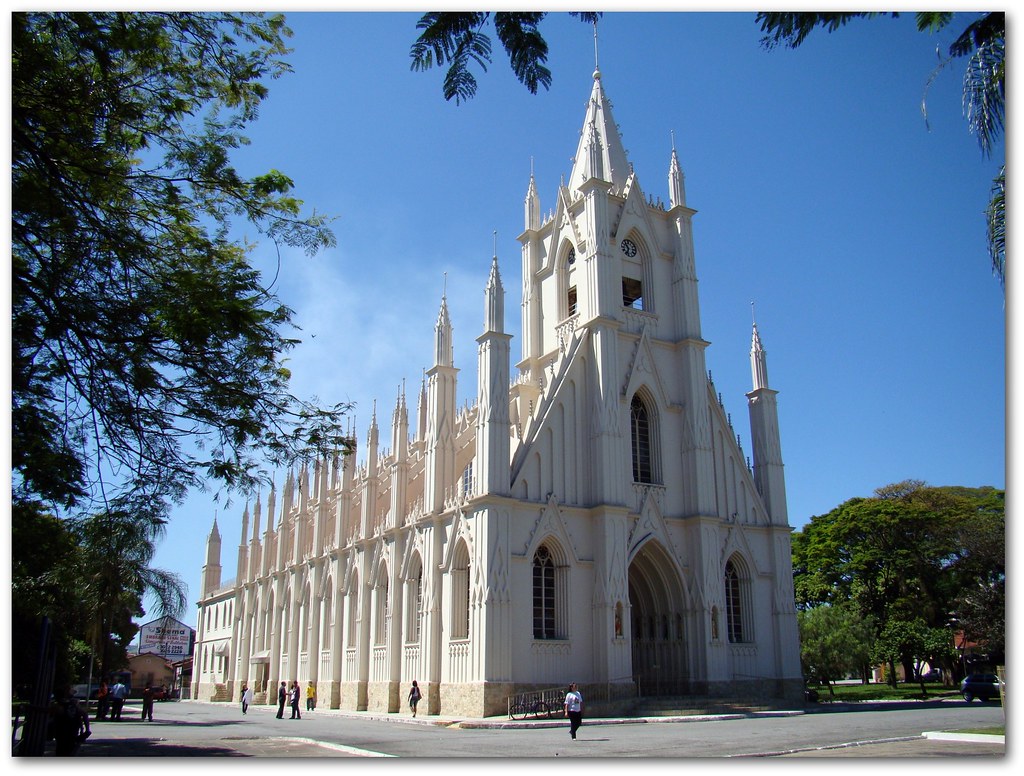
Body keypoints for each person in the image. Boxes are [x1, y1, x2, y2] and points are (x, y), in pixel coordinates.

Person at [51, 684, 90, 756]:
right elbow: (84, 714)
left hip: (62, 733)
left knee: (61, 751)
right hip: (72, 732)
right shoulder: (74, 704)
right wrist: (87, 729)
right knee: (69, 751)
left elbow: (46, 711)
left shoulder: (59, 706)